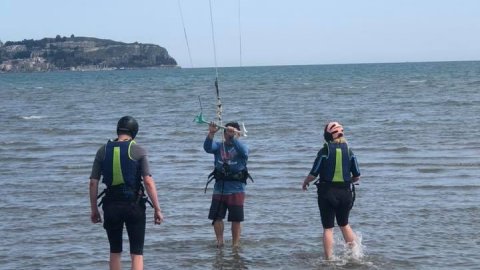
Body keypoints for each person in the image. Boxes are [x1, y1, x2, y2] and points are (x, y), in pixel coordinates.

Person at [89, 116, 164, 270]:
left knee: (115, 251)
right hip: (134, 206)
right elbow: (148, 182)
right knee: (137, 253)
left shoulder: (102, 150)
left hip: (111, 206)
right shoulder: (138, 150)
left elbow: (93, 182)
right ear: (134, 132)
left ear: (118, 130)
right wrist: (157, 209)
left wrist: (94, 209)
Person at [302, 121, 361, 260]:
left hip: (327, 193)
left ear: (327, 136)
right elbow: (357, 175)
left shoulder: (325, 151)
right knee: (344, 224)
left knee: (328, 228)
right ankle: (356, 255)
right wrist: (348, 181)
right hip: (346, 193)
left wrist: (305, 182)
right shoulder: (349, 150)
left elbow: (314, 173)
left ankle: (329, 260)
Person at [203, 121, 250, 248]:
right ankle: (220, 242)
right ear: (223, 134)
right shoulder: (218, 146)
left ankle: (235, 245)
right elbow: (207, 148)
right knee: (217, 217)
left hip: (236, 189)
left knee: (236, 219)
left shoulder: (241, 147)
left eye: (233, 133)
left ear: (238, 134)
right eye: (227, 133)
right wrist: (211, 133)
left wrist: (233, 137)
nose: (229, 135)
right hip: (220, 188)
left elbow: (245, 153)